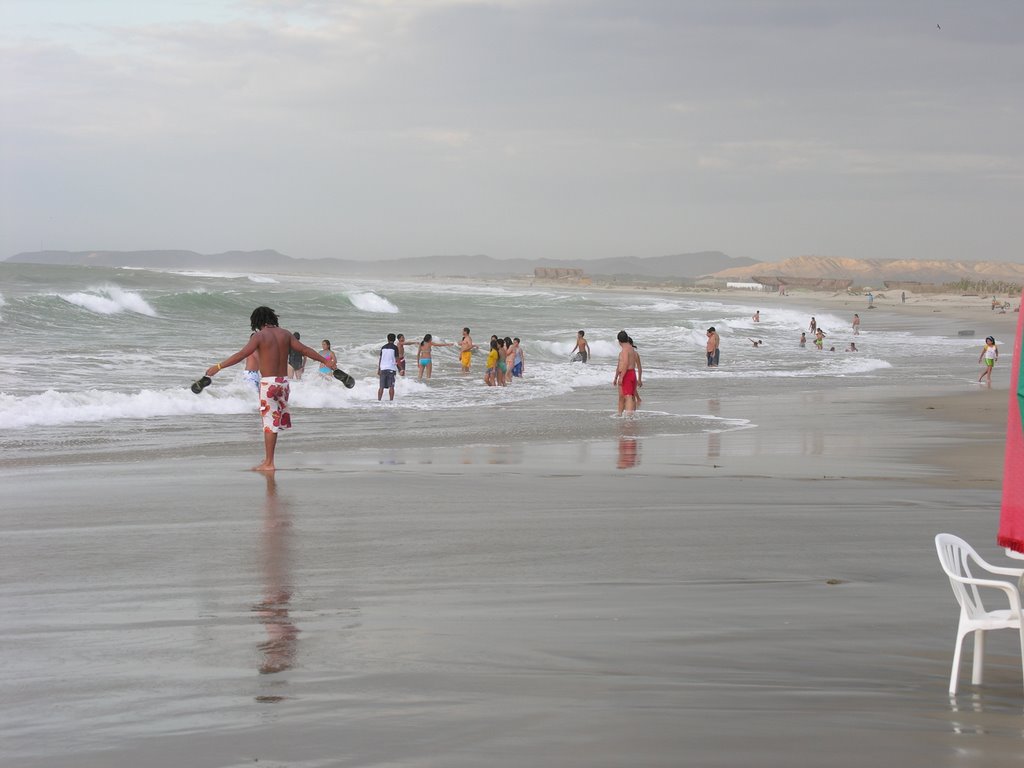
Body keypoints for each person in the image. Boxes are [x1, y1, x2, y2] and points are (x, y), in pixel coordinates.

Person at [204, 306, 336, 471]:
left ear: (257, 321)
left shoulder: (260, 336)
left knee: (269, 424)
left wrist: (218, 366)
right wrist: (324, 361)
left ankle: (269, 462)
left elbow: (241, 354)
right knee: (273, 423)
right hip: (284, 383)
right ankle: (268, 459)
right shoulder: (286, 334)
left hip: (268, 384)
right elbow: (304, 350)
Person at [613, 330, 639, 416]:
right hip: (631, 373)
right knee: (622, 396)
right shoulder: (631, 348)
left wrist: (621, 377)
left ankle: (629, 416)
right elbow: (620, 364)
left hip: (626, 374)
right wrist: (616, 377)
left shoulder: (625, 350)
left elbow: (625, 363)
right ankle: (620, 414)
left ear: (619, 341)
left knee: (628, 396)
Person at [377, 333, 399, 401]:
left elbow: (380, 358)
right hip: (391, 369)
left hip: (383, 369)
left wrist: (379, 369)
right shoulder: (395, 348)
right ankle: (391, 401)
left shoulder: (383, 347)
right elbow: (397, 359)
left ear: (387, 339)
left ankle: (379, 400)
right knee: (391, 386)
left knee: (381, 387)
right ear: (395, 339)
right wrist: (400, 369)